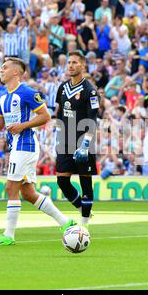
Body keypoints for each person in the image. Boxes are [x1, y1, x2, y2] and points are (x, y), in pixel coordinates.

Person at [0, 57, 76, 246]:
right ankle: (65, 222)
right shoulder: (2, 96)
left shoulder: (27, 92)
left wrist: (23, 126)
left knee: (10, 188)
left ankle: (8, 235)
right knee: (28, 193)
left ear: (16, 72)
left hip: (26, 145)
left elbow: (45, 116)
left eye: (5, 68)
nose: (1, 70)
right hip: (16, 146)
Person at [54, 51, 100, 227]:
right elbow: (59, 113)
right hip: (65, 140)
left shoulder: (90, 91)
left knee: (85, 180)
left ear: (83, 66)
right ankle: (83, 208)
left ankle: (84, 224)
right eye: (69, 62)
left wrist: (86, 144)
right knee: (62, 181)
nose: (71, 66)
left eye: (74, 62)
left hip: (83, 141)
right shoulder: (62, 88)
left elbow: (92, 119)